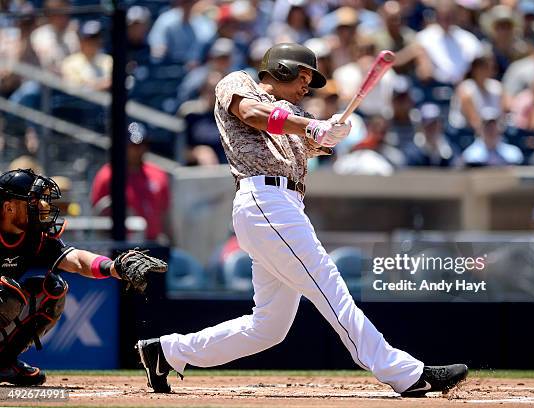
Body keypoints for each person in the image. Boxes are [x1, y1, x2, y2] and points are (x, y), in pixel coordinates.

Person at [136, 42, 467, 396]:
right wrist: (310, 126)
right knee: (331, 288)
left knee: (268, 327)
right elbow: (252, 114)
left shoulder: (291, 111)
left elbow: (311, 140)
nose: (307, 85)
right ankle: (406, 374)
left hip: (285, 207)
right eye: (304, 75)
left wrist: (333, 133)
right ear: (281, 68)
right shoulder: (237, 83)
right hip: (264, 200)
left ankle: (167, 352)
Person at [0, 168, 166, 385]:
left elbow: (76, 260)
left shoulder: (35, 235)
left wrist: (114, 267)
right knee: (7, 294)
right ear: (9, 207)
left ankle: (4, 363)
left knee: (53, 290)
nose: (41, 206)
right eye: (31, 201)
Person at [90, 123, 170, 242]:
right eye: (133, 146)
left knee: (184, 260)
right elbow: (99, 216)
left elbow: (165, 215)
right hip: (123, 246)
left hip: (155, 243)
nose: (139, 150)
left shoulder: (158, 174)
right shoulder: (108, 175)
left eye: (143, 144)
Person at [61, 20, 112, 91]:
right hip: (81, 101)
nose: (92, 43)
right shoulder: (70, 63)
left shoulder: (108, 60)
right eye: (88, 39)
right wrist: (99, 85)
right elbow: (75, 90)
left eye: (95, 39)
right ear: (81, 42)